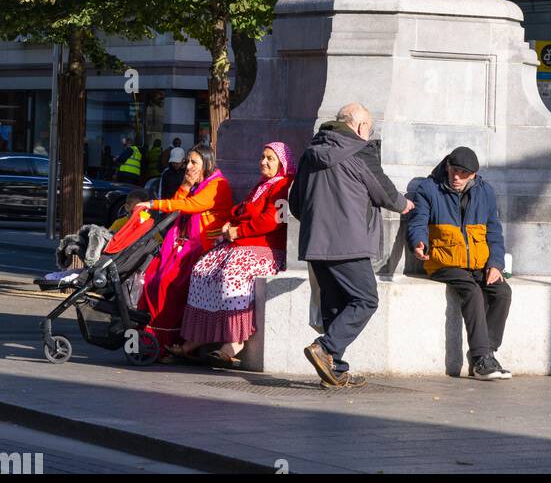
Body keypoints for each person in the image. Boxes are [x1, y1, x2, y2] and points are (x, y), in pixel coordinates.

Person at [288, 103, 413, 389]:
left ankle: (336, 370)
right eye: (368, 128)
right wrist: (405, 204)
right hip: (348, 243)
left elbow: (296, 203)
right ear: (359, 127)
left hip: (314, 244)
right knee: (366, 299)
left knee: (335, 305)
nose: (368, 134)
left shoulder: (310, 153)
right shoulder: (359, 150)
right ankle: (325, 348)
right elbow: (383, 191)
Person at [171, 142, 295, 367]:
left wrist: (239, 230)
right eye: (262, 156)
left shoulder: (282, 185)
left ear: (282, 164)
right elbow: (242, 209)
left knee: (232, 273)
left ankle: (234, 342)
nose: (263, 162)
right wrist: (231, 222)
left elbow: (271, 220)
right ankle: (199, 336)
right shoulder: (263, 184)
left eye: (270, 158)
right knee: (202, 270)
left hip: (266, 249)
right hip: (240, 243)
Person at [407, 147, 512, 381]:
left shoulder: (485, 192)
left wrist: (496, 263)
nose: (456, 177)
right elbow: (418, 221)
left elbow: (494, 232)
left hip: (477, 262)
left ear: (473, 175)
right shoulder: (429, 188)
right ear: (447, 166)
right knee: (472, 291)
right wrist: (419, 242)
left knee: (502, 292)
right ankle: (482, 358)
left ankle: (486, 354)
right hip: (443, 261)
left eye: (463, 173)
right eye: (454, 170)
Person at [134, 144, 233, 358]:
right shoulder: (199, 183)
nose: (188, 166)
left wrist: (152, 203)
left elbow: (190, 206)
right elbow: (181, 202)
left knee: (167, 282)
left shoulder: (218, 185)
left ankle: (165, 343)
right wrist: (186, 184)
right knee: (151, 277)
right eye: (188, 161)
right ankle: (149, 339)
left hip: (203, 248)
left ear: (206, 164)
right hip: (184, 245)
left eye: (193, 162)